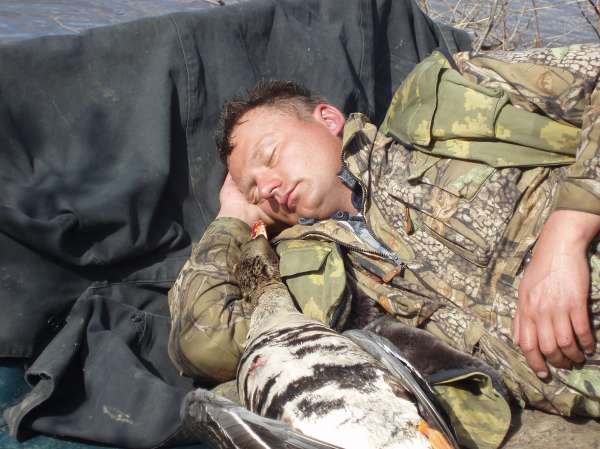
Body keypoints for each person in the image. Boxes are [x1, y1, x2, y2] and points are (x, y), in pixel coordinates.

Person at [168, 43, 600, 420]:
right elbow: (205, 343)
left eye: (270, 155)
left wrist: (568, 233)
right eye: (253, 191)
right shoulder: (315, 277)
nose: (267, 188)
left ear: (327, 119)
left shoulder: (448, 103)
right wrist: (231, 218)